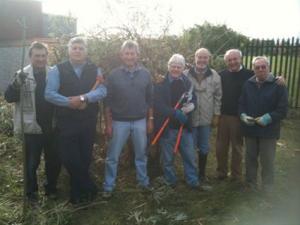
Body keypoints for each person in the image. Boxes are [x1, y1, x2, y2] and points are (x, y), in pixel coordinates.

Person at [45, 37, 107, 204]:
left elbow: (102, 90)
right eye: (74, 48)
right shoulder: (57, 70)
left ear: (86, 51)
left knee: (85, 157)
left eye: (81, 48)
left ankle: (77, 195)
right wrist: (68, 103)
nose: (78, 51)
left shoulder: (96, 69)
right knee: (70, 158)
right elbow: (49, 93)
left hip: (88, 121)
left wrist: (84, 98)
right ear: (69, 50)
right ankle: (89, 187)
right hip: (66, 122)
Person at [216, 49, 285, 181]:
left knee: (237, 147)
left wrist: (279, 79)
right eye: (229, 60)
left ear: (240, 59)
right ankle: (222, 172)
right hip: (224, 115)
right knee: (221, 147)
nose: (232, 62)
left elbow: (266, 78)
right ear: (226, 61)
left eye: (235, 59)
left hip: (240, 118)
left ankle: (236, 175)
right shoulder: (221, 75)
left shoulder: (249, 75)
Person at [4, 41, 61, 202]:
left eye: (43, 56)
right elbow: (9, 98)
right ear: (30, 56)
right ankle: (31, 193)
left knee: (54, 161)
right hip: (31, 127)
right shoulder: (22, 74)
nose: (40, 59)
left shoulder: (54, 73)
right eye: (37, 56)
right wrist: (16, 84)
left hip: (52, 125)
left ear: (47, 57)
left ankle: (51, 189)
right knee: (31, 163)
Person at [103, 40, 153, 198]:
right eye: (126, 53)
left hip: (140, 121)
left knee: (141, 154)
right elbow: (107, 101)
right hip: (119, 122)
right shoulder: (113, 75)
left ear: (137, 55)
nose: (129, 56)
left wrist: (150, 119)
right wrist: (108, 123)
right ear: (121, 55)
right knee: (112, 156)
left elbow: (150, 99)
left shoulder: (146, 74)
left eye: (132, 53)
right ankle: (108, 186)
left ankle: (143, 183)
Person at [238, 56, 288, 192]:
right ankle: (250, 184)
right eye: (257, 67)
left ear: (269, 67)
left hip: (269, 130)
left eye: (263, 67)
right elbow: (241, 104)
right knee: (250, 159)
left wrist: (268, 118)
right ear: (253, 69)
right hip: (251, 129)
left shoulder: (278, 85)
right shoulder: (248, 84)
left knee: (267, 160)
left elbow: (283, 110)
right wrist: (243, 115)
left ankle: (267, 187)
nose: (260, 69)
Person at [154, 53, 202, 189]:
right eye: (173, 66)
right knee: (167, 158)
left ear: (183, 68)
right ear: (168, 67)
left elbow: (193, 99)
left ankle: (192, 181)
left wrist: (192, 106)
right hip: (167, 127)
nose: (175, 69)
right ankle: (170, 181)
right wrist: (175, 113)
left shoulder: (188, 83)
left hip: (184, 126)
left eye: (179, 67)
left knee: (189, 156)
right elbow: (158, 105)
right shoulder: (160, 84)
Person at [185, 48, 222, 182]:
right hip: (191, 118)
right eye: (199, 57)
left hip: (206, 119)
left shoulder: (215, 75)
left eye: (205, 57)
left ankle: (202, 174)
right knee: (190, 148)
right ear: (195, 58)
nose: (202, 60)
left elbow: (218, 97)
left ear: (209, 59)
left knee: (204, 147)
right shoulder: (186, 74)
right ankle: (191, 174)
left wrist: (217, 115)